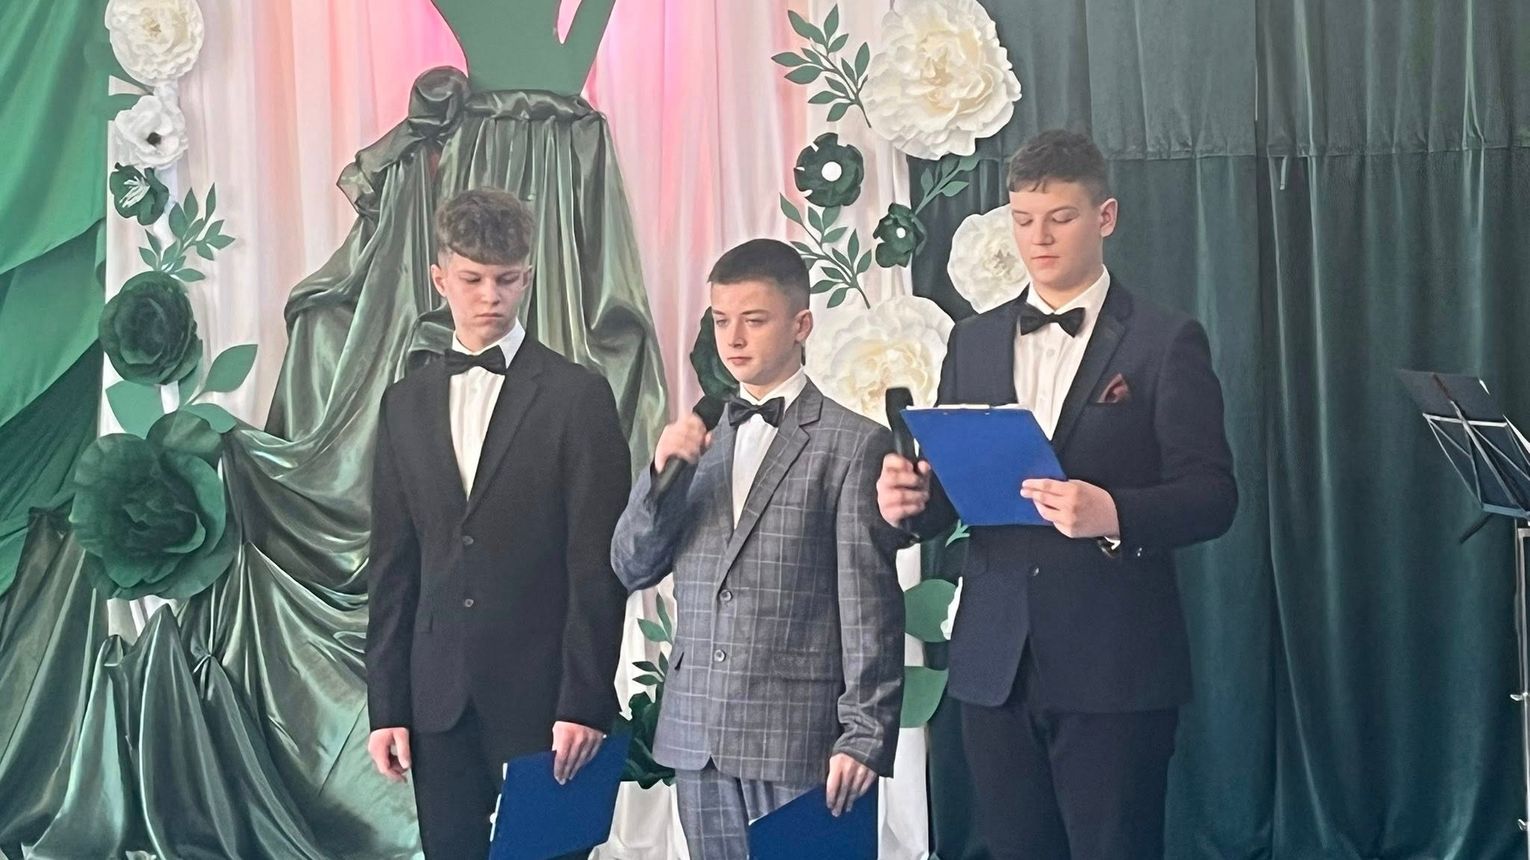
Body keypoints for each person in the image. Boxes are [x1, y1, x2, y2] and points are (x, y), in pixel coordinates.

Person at [877, 130, 1238, 859]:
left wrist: (1114, 512)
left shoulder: (1165, 341)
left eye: (1060, 218)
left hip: (1115, 664)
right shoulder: (972, 341)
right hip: (994, 662)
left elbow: (1213, 495)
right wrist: (910, 502)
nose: (1037, 238)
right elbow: (950, 498)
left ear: (1105, 217)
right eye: (1023, 219)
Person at [611, 238, 905, 859]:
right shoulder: (698, 439)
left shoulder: (854, 444)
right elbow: (632, 565)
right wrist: (662, 475)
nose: (734, 339)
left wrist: (864, 733)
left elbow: (869, 604)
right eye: (721, 321)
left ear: (801, 325)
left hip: (800, 738)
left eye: (754, 319)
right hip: (697, 737)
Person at [365, 188, 632, 859]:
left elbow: (596, 565)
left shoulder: (578, 397)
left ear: (528, 277)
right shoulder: (403, 404)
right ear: (440, 278)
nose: (491, 297)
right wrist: (387, 707)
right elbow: (393, 565)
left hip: (544, 701)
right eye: (473, 279)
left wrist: (584, 700)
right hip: (436, 701)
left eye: (508, 280)